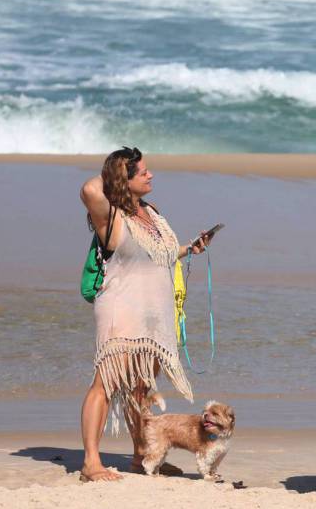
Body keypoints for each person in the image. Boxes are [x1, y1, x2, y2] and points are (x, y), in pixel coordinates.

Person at [78, 147, 215, 482]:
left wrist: (188, 248)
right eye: (142, 172)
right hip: (121, 310)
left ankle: (141, 456)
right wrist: (114, 170)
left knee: (141, 389)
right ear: (125, 179)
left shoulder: (151, 212)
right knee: (106, 385)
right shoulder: (110, 217)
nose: (151, 175)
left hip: (155, 316)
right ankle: (91, 463)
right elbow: (88, 190)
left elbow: (157, 254)